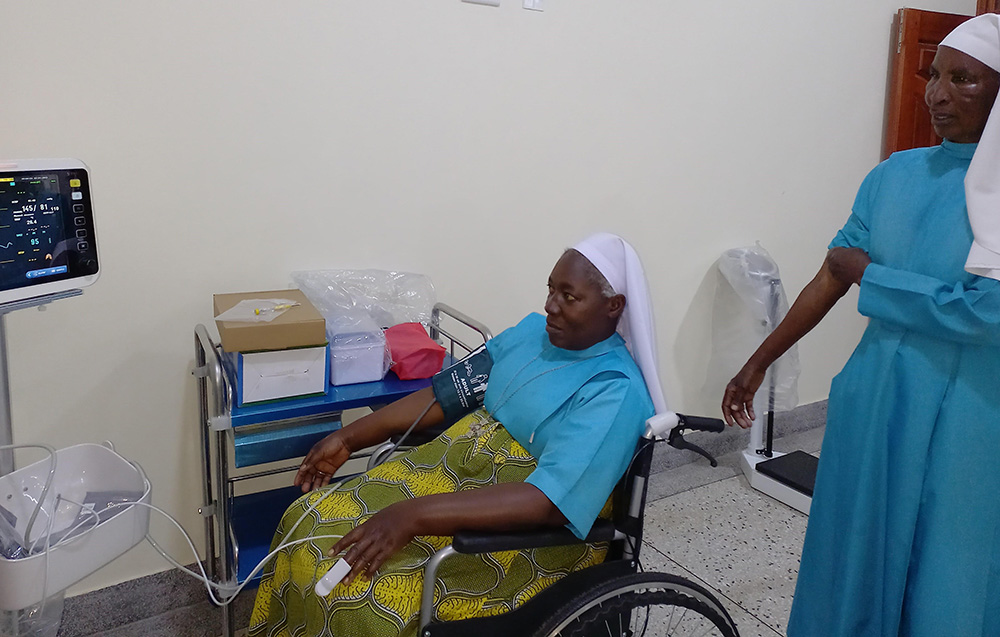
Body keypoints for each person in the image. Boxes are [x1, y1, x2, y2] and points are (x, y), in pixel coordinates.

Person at [722, 14, 1000, 637]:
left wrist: (876, 280)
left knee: (949, 567)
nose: (937, 93)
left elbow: (987, 312)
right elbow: (832, 273)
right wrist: (758, 361)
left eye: (965, 80)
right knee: (853, 552)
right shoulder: (894, 175)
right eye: (934, 75)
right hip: (877, 397)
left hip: (970, 419)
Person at [249, 233, 667, 637]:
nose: (550, 306)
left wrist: (412, 515)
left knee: (358, 594)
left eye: (569, 297)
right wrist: (348, 438)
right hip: (450, 470)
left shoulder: (615, 390)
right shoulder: (530, 334)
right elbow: (444, 394)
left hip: (523, 528)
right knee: (304, 521)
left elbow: (549, 501)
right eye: (551, 289)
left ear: (613, 306)